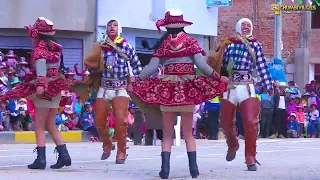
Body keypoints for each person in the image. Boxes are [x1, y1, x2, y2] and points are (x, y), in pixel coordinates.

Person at [130, 9, 228, 179]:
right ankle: (193, 169)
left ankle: (165, 170)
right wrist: (219, 77)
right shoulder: (190, 42)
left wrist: (136, 80)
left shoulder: (163, 45)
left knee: (167, 134)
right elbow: (203, 66)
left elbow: (151, 68)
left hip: (167, 88)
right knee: (188, 133)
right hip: (187, 89)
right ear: (182, 24)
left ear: (167, 26)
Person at [0, 17, 76, 169]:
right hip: (56, 89)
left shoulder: (39, 51)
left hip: (45, 90)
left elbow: (41, 73)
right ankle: (64, 156)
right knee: (51, 125)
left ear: (37, 34)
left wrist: (40, 86)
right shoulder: (55, 49)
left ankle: (41, 160)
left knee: (39, 126)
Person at [74, 18, 142, 164]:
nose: (112, 27)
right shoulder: (99, 46)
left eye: (115, 25)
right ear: (106, 29)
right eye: (110, 25)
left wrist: (136, 81)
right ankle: (107, 144)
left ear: (119, 29)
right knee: (98, 120)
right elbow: (90, 62)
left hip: (121, 88)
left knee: (120, 121)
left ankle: (121, 152)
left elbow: (136, 64)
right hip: (104, 87)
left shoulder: (126, 46)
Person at [211, 18, 273, 171]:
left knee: (250, 122)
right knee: (225, 122)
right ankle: (232, 144)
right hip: (230, 86)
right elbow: (221, 66)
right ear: (238, 27)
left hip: (247, 86)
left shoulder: (255, 45)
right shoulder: (227, 44)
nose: (245, 28)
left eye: (248, 26)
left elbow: (262, 66)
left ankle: (250, 157)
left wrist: (268, 85)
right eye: (243, 25)